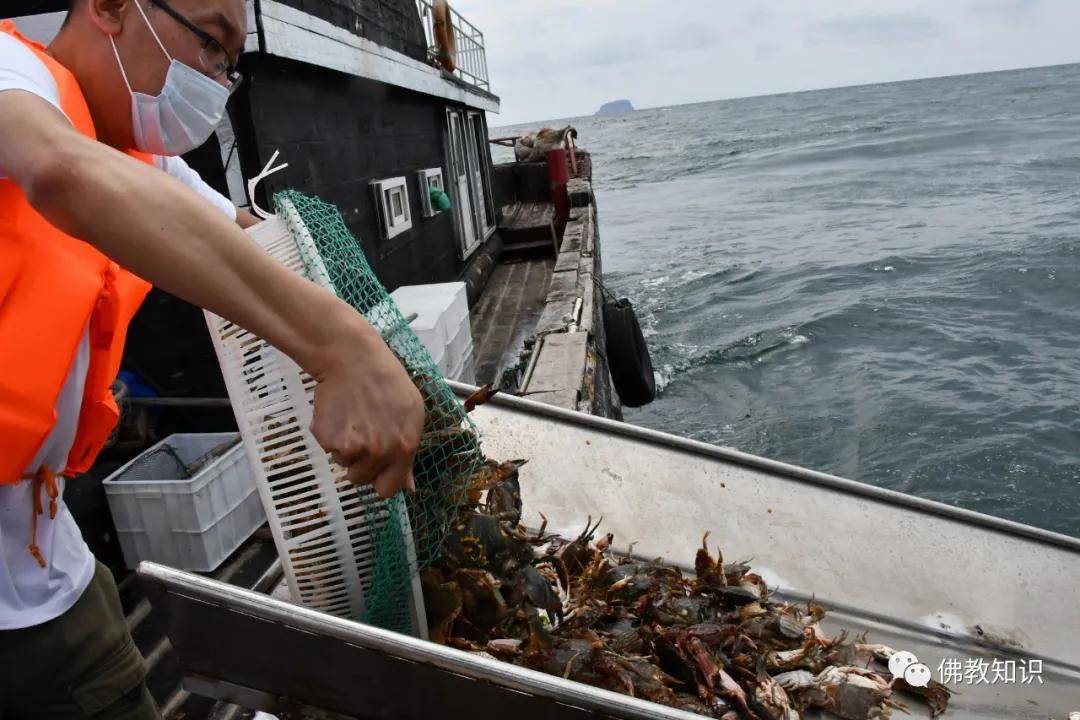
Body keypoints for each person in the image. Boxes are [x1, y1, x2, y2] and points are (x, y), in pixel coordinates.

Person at [0, 1, 425, 717]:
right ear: (109, 7)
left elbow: (240, 236)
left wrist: (371, 332)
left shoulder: (144, 159)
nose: (218, 79)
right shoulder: (12, 76)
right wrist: (338, 347)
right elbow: (61, 169)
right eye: (210, 43)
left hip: (45, 566)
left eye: (231, 61)